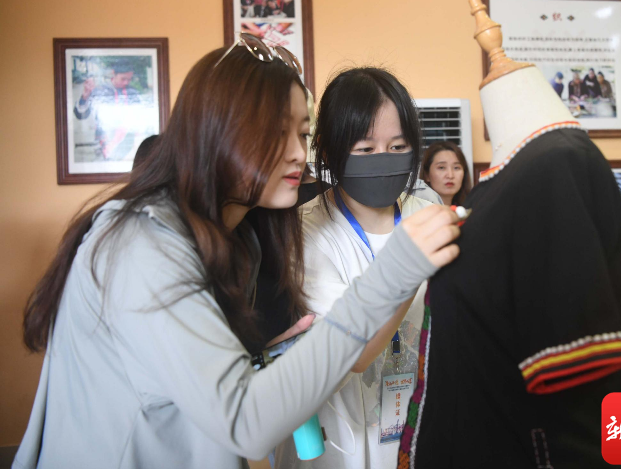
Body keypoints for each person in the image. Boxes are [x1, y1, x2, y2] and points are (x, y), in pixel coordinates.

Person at [13, 38, 461, 468]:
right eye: (276, 133)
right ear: (216, 134)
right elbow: (247, 423)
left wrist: (262, 360)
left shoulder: (240, 239)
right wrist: (397, 269)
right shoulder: (140, 245)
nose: (296, 154)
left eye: (302, 133)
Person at [274, 68, 433, 469]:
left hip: (416, 434)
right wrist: (413, 265)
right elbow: (353, 354)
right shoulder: (304, 234)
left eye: (398, 146)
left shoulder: (430, 216)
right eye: (365, 149)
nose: (384, 159)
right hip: (338, 449)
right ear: (329, 152)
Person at [73, 59, 143, 161]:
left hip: (127, 144)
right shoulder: (100, 91)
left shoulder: (133, 93)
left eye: (129, 79)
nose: (126, 82)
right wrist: (85, 97)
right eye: (123, 79)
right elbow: (80, 114)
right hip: (102, 145)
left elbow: (139, 118)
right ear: (114, 73)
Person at [420, 141, 472, 207]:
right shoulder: (417, 210)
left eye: (456, 168)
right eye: (441, 167)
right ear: (427, 175)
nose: (450, 175)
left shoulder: (470, 209)